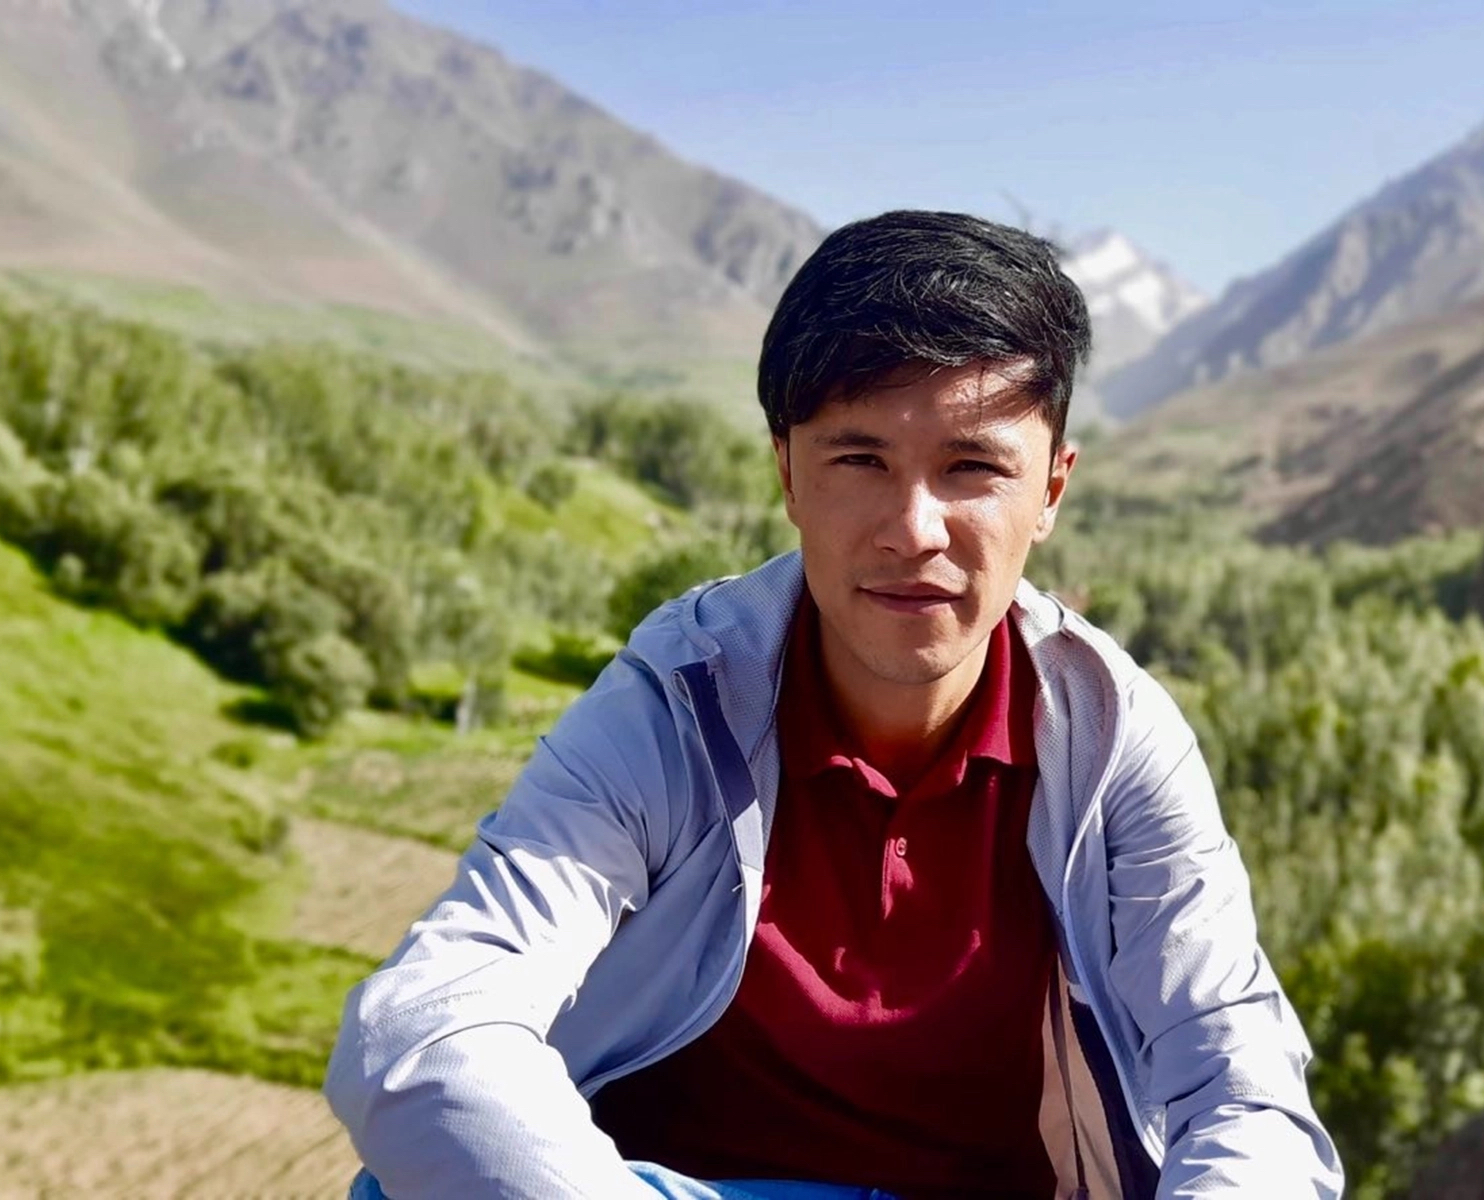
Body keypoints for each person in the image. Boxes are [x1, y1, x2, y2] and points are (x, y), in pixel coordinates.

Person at [325, 211, 1341, 1199]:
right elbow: (424, 1030)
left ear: (1050, 490)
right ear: (787, 473)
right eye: (860, 461)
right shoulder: (679, 699)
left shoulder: (1108, 736)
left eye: (972, 467)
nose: (913, 529)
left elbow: (1244, 1094)